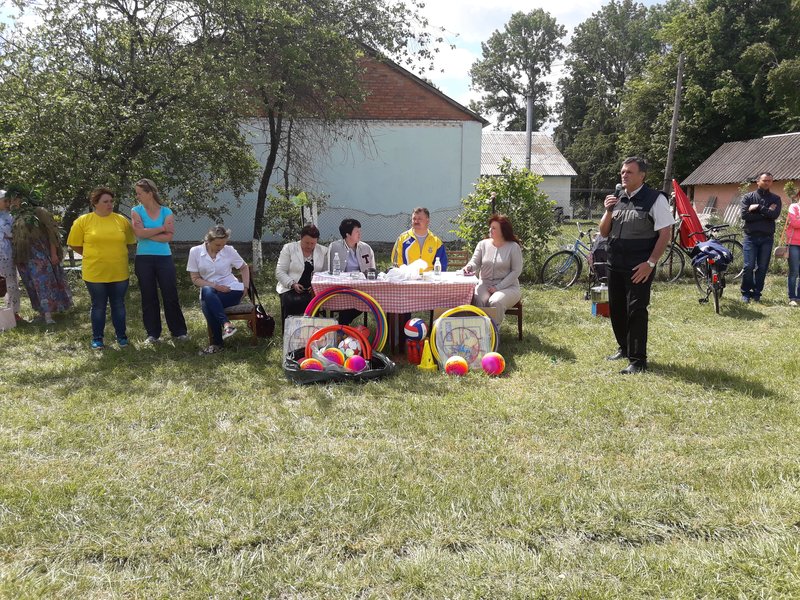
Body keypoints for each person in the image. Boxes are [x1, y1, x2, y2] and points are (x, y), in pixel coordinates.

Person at [599, 157, 673, 374]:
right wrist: (608, 210)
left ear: (642, 175)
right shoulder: (618, 198)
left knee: (636, 310)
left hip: (639, 267)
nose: (624, 175)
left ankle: (638, 360)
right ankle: (624, 348)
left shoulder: (655, 199)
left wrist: (650, 263)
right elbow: (604, 232)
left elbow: (665, 233)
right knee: (617, 309)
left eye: (629, 172)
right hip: (615, 264)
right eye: (622, 171)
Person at [67, 187, 136, 348]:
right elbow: (74, 244)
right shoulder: (83, 221)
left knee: (118, 304)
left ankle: (122, 337)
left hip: (119, 272)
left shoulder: (121, 220)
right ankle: (97, 339)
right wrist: (92, 255)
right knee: (98, 306)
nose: (109, 204)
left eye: (111, 201)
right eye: (105, 201)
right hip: (95, 273)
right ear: (95, 203)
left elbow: (130, 243)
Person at [130, 178, 188, 343]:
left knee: (170, 294)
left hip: (164, 258)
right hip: (143, 259)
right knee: (148, 296)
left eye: (139, 193)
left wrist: (147, 232)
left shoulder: (166, 211)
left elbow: (168, 237)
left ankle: (179, 332)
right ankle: (153, 334)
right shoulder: (136, 210)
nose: (137, 196)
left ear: (149, 193)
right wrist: (161, 228)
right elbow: (139, 233)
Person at [8, 185, 72, 325]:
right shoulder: (16, 215)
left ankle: (49, 316)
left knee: (44, 283)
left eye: (15, 199)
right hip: (24, 257)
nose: (12, 202)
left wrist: (54, 253)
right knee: (31, 285)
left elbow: (52, 232)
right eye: (11, 200)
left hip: (40, 255)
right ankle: (42, 313)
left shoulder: (39, 211)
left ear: (23, 198)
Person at [187, 226, 250, 355]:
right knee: (207, 292)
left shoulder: (229, 250)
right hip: (210, 292)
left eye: (223, 244)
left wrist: (246, 286)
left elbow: (244, 267)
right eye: (217, 244)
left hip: (232, 290)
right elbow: (195, 279)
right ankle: (226, 324)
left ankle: (217, 343)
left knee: (207, 303)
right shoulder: (195, 252)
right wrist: (216, 286)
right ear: (208, 241)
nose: (221, 247)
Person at [462, 214, 523, 325]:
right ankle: (479, 329)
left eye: (494, 228)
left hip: (508, 287)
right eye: (490, 227)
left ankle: (494, 330)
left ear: (503, 231)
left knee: (495, 301)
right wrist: (469, 267)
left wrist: (498, 287)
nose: (490, 230)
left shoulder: (513, 247)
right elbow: (475, 262)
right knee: (477, 298)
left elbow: (516, 271)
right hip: (485, 284)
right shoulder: (482, 244)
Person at [740, 172, 781, 303]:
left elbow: (774, 215)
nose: (767, 183)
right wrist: (766, 212)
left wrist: (758, 207)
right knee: (748, 266)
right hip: (750, 237)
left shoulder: (775, 199)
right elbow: (745, 216)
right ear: (758, 181)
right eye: (764, 180)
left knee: (762, 267)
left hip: (767, 238)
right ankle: (746, 293)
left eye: (769, 180)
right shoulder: (748, 197)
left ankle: (757, 293)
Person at [326, 218, 375, 324]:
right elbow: (328, 270)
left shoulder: (366, 248)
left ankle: (341, 325)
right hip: (341, 286)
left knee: (363, 300)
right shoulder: (335, 247)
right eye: (357, 231)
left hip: (361, 286)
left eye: (360, 231)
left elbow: (372, 269)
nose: (359, 234)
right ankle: (343, 326)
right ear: (347, 234)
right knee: (345, 300)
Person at [275, 224, 328, 321]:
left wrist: (316, 285)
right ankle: (290, 327)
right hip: (290, 289)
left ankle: (311, 328)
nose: (309, 246)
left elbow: (325, 273)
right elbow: (280, 271)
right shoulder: (289, 248)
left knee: (314, 303)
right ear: (300, 238)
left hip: (313, 290)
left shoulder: (323, 251)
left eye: (313, 243)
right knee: (291, 302)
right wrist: (292, 284)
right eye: (306, 242)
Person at [391, 207, 448, 271]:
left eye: (419, 219)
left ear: (427, 220)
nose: (416, 221)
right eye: (414, 219)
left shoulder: (436, 242)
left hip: (429, 276)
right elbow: (396, 263)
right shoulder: (402, 239)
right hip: (408, 276)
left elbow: (442, 265)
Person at [0, 190, 23, 322]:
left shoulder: (9, 216)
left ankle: (12, 312)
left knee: (11, 283)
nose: (8, 203)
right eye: (5, 201)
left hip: (7, 254)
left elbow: (13, 233)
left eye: (9, 201)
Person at [787, 191, 800, 307]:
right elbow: (794, 223)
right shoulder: (793, 207)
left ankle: (799, 297)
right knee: (794, 271)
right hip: (794, 243)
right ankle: (792, 297)